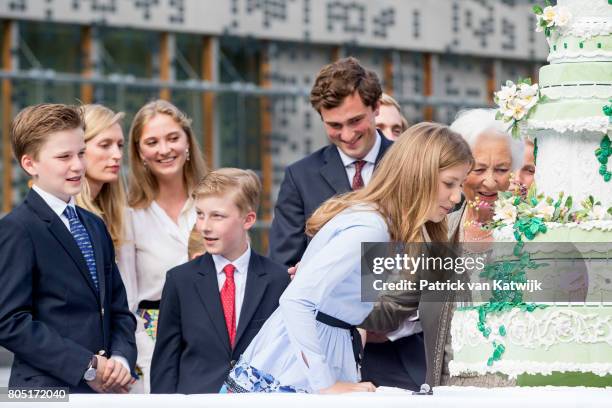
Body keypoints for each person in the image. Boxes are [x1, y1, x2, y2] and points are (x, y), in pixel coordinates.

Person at [224, 122, 473, 393]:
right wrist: (326, 385)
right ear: (418, 174)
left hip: (328, 349)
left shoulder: (386, 227)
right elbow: (296, 300)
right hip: (297, 361)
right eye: (449, 183)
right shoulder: (371, 227)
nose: (457, 196)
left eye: (460, 184)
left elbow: (352, 303)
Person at [363, 109, 521, 388]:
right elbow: (391, 307)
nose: (490, 181)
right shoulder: (438, 231)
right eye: (479, 168)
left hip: (519, 390)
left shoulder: (534, 235)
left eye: (502, 169)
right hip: (450, 389)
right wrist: (336, 287)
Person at [0, 103, 137, 393]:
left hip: (104, 390)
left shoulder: (94, 225)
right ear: (30, 164)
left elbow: (118, 309)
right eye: (64, 156)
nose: (77, 165)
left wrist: (122, 362)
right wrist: (87, 366)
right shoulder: (17, 229)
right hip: (45, 391)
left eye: (81, 153)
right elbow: (9, 321)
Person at [150, 168, 290, 393]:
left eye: (217, 216)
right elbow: (165, 363)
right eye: (200, 214)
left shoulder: (278, 280)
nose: (204, 226)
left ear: (248, 219)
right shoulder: (180, 280)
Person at [268, 57, 393, 269]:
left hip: (402, 298)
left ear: (376, 107)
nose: (347, 135)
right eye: (335, 125)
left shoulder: (412, 164)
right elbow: (281, 265)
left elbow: (438, 249)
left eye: (355, 121)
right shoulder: (300, 178)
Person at [121, 100, 208, 392]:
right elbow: (127, 299)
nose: (164, 149)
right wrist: (145, 357)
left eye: (173, 138)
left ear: (187, 143)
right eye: (152, 142)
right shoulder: (129, 215)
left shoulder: (214, 203)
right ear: (139, 153)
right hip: (151, 346)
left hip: (213, 340)